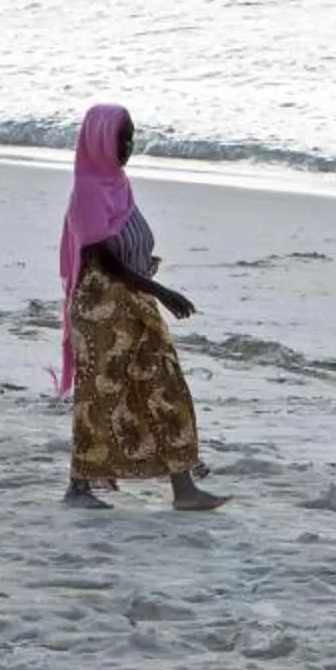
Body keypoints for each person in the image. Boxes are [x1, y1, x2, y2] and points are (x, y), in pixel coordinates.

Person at [55, 103, 225, 511]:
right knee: (101, 395)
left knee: (164, 386)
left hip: (135, 300)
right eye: (121, 138)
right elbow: (101, 260)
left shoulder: (118, 184)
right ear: (100, 140)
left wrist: (146, 269)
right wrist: (161, 291)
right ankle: (79, 485)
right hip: (101, 309)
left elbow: (124, 245)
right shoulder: (88, 190)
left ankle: (183, 488)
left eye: (131, 137)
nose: (128, 146)